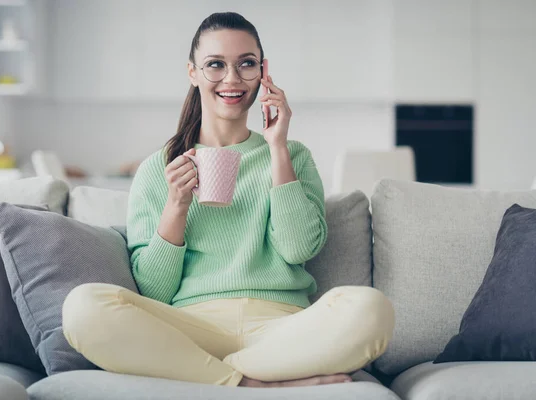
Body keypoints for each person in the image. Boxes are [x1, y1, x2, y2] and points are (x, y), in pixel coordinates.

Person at [62, 11, 395, 388]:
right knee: (83, 308)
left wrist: (277, 149)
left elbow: (298, 247)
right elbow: (155, 292)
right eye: (215, 65)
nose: (232, 79)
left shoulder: (293, 155)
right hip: (191, 329)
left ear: (263, 72)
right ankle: (251, 382)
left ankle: (207, 372)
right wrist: (176, 206)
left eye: (246, 64)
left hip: (283, 327)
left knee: (372, 309)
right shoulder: (159, 169)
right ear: (193, 73)